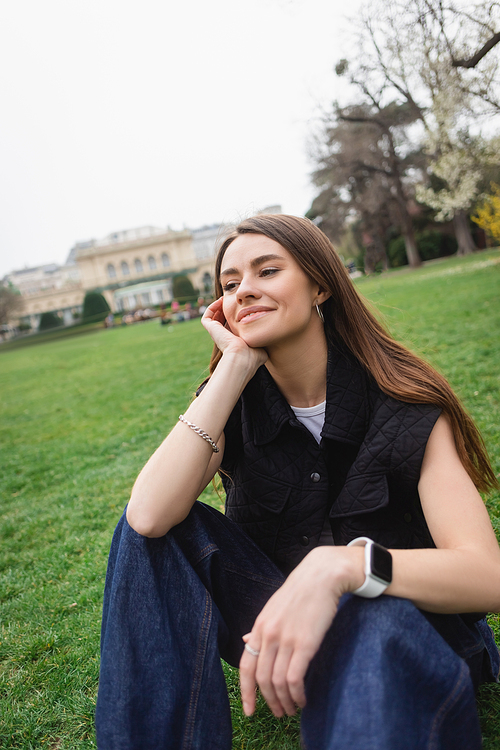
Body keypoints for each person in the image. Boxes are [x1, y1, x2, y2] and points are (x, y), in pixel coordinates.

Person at [96, 214, 500, 750]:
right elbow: (147, 517)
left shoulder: (404, 400)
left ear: (321, 285)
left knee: (369, 612)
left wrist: (346, 566)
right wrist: (233, 367)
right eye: (231, 284)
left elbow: (486, 575)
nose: (246, 291)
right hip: (280, 629)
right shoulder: (230, 403)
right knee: (147, 532)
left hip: (406, 630)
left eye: (267, 271)